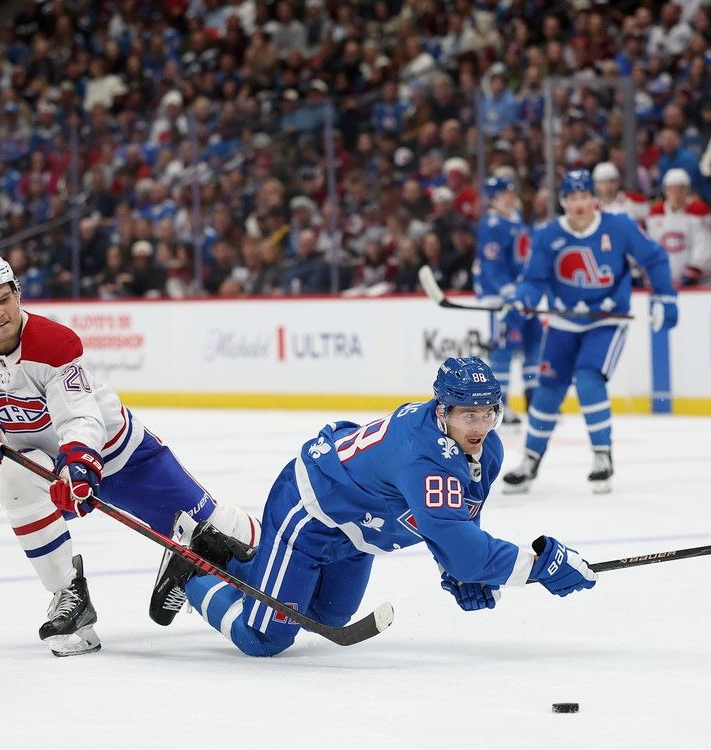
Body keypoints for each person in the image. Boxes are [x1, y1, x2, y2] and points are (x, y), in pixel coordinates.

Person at [0, 248, 258, 657]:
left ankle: (275, 559)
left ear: (18, 293)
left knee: (218, 529)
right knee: (13, 479)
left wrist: (79, 461)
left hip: (122, 457)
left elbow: (79, 415)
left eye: (4, 298)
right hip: (46, 473)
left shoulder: (53, 341)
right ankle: (70, 595)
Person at [149, 357, 597, 657]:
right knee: (266, 638)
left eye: (488, 413)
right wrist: (538, 564)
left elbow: (457, 524)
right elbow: (460, 543)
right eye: (468, 414)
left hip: (361, 529)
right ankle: (194, 571)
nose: (480, 426)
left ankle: (221, 551)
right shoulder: (425, 458)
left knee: (327, 616)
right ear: (442, 411)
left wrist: (460, 572)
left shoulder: (485, 450)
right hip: (310, 515)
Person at [501, 170, 678, 494]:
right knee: (547, 392)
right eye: (572, 197)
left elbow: (654, 258)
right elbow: (534, 280)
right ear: (563, 201)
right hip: (563, 323)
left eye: (584, 196)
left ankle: (602, 457)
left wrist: (664, 295)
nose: (579, 203)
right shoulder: (549, 235)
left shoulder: (619, 226)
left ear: (593, 199)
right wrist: (521, 302)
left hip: (606, 319)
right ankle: (529, 460)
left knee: (588, 379)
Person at [473, 175, 541, 425]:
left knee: (533, 345)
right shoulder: (492, 224)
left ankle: (534, 402)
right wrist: (509, 293)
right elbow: (492, 265)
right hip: (500, 298)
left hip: (521, 296)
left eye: (511, 191)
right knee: (503, 349)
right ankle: (499, 405)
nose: (511, 196)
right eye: (505, 192)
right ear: (494, 198)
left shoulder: (516, 219)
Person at [645, 168, 711, 286]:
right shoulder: (656, 214)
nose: (676, 194)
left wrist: (694, 269)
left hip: (695, 281)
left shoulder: (698, 211)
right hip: (665, 278)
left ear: (687, 190)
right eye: (672, 190)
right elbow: (653, 244)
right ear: (666, 191)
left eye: (680, 190)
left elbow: (703, 243)